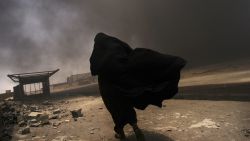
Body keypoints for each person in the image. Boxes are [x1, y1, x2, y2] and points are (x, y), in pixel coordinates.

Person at [89, 33, 186, 141]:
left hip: (108, 87)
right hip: (123, 81)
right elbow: (130, 52)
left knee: (115, 110)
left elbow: (94, 69)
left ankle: (121, 133)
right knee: (126, 105)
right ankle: (136, 128)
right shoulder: (117, 43)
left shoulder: (98, 52)